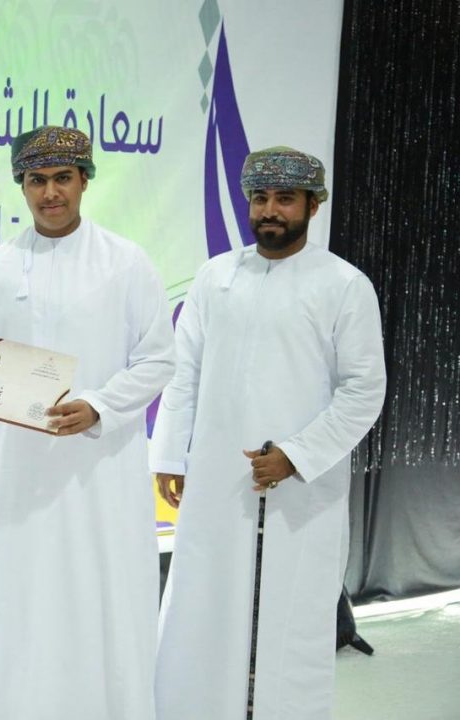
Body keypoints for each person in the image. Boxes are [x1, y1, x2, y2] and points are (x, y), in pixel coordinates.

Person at [150, 146, 387, 719]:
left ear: (313, 205)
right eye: (260, 198)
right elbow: (184, 371)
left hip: (301, 489)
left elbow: (364, 390)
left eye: (285, 199)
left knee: (290, 619)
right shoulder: (216, 276)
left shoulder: (344, 285)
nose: (270, 211)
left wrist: (297, 455)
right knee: (205, 607)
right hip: (217, 478)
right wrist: (171, 455)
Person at [0, 126, 175, 719]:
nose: (50, 193)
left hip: (98, 471)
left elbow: (159, 358)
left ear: (84, 181)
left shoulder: (126, 263)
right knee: (20, 602)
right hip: (17, 473)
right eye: (37, 180)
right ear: (22, 186)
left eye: (62, 179)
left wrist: (100, 405)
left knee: (101, 599)